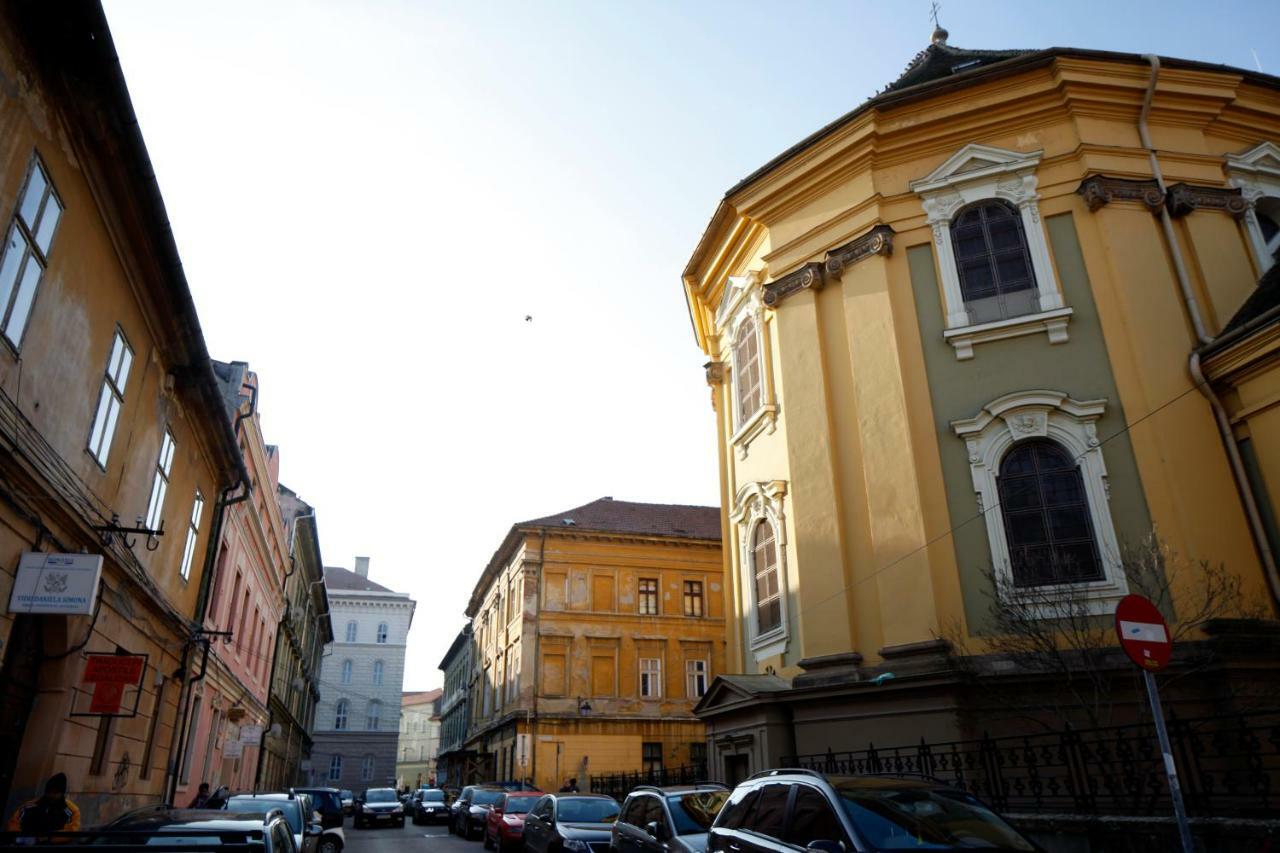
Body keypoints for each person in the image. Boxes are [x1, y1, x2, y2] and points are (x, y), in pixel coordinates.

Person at [6, 772, 82, 837]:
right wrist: (22, 838)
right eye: (49, 792)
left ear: (61, 793)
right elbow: (14, 824)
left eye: (55, 793)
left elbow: (71, 831)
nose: (51, 795)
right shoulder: (29, 806)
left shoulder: (72, 811)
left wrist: (45, 839)